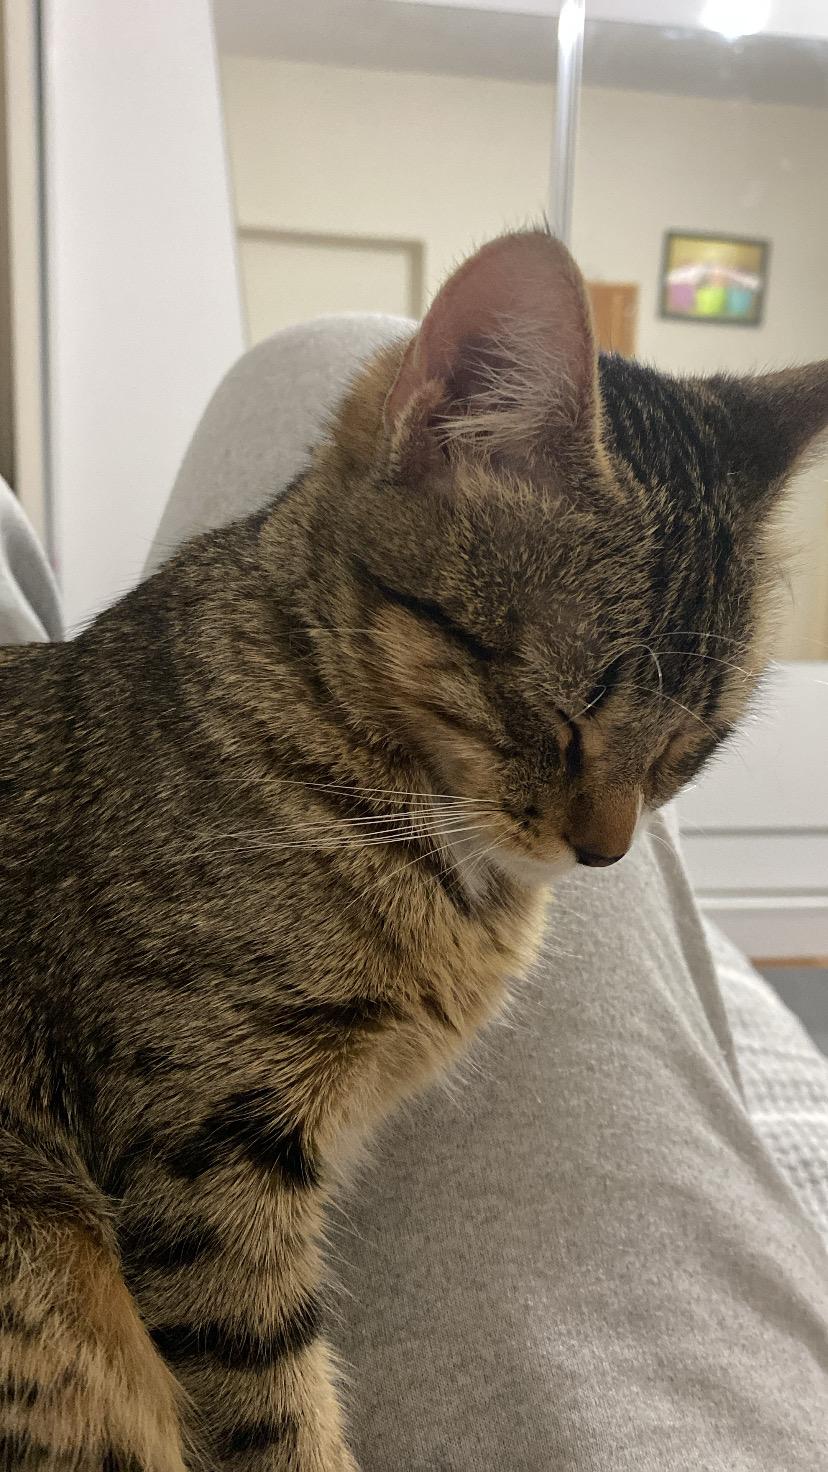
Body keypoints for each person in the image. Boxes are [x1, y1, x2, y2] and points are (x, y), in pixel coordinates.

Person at [4, 314, 828, 1470]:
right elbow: (201, 1212)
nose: (606, 838)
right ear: (442, 436)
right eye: (561, 727)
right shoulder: (228, 759)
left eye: (678, 756)